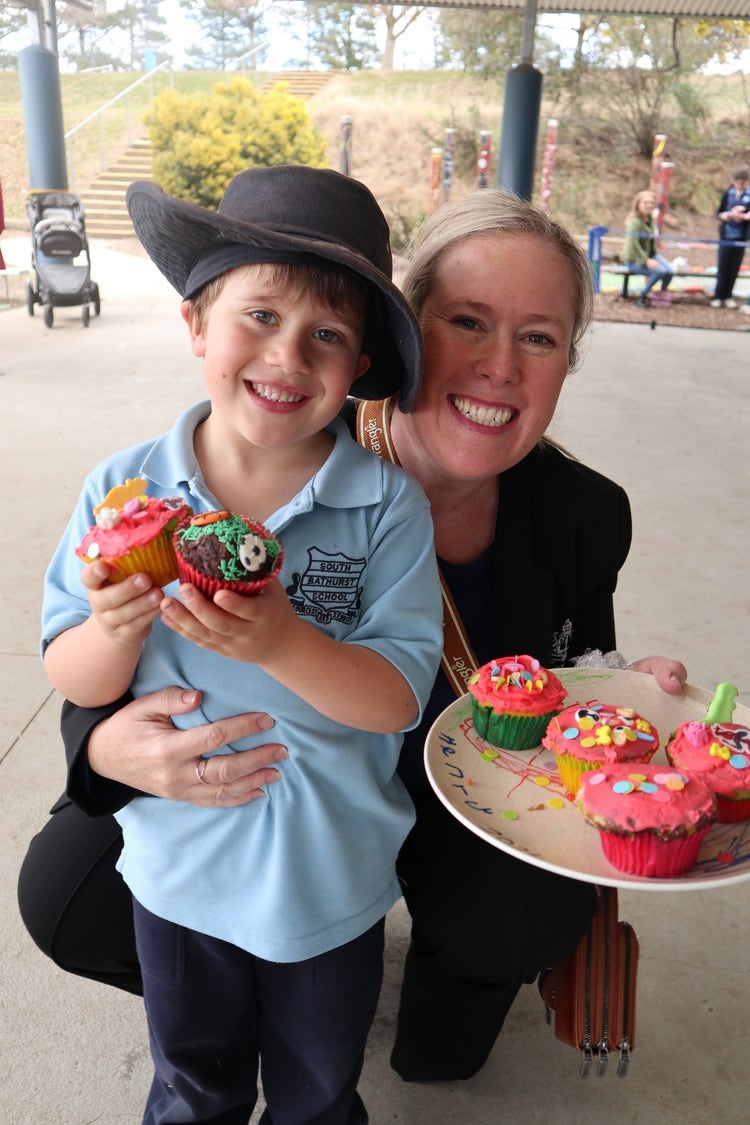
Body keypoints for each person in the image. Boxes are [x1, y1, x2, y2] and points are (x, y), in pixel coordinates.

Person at [19, 189, 687, 1092]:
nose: (499, 365)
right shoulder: (163, 482)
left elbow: (568, 669)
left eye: (539, 336)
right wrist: (105, 739)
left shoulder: (565, 513)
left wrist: (624, 697)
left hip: (372, 812)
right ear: (411, 334)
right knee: (78, 913)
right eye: (467, 320)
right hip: (222, 809)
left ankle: (440, 1000)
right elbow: (82, 649)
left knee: (481, 953)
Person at [39, 165, 444, 1125]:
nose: (289, 356)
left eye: (328, 336)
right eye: (258, 316)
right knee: (193, 1079)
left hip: (330, 871)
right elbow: (69, 667)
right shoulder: (126, 491)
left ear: (360, 371)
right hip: (180, 867)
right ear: (196, 327)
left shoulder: (385, 505)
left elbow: (397, 697)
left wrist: (281, 639)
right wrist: (111, 625)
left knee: (316, 1088)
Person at [621, 189, 674, 307]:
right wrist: (646, 260)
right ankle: (642, 296)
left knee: (670, 271)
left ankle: (661, 294)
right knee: (660, 271)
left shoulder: (651, 219)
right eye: (645, 202)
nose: (649, 205)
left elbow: (651, 241)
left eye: (651, 203)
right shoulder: (634, 222)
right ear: (638, 204)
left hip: (651, 254)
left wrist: (655, 256)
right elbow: (633, 245)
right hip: (635, 259)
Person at [710, 165, 750, 309]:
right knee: (723, 266)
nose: (740, 184)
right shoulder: (728, 193)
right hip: (726, 236)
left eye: (743, 182)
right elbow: (719, 213)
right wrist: (726, 216)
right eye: (738, 181)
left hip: (740, 237)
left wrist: (745, 215)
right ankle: (718, 295)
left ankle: (728, 295)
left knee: (734, 267)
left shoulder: (749, 195)